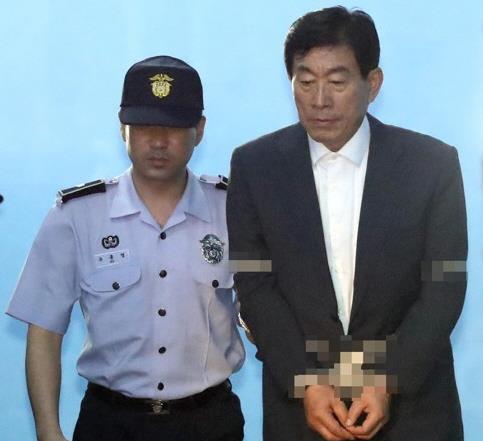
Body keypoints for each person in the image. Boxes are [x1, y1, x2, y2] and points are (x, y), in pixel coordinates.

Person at [227, 7, 466, 441]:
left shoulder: (432, 165)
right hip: (303, 410)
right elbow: (255, 285)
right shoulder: (255, 166)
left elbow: (444, 286)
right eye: (305, 82)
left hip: (414, 412)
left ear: (372, 84)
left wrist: (389, 380)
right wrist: (307, 383)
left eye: (337, 82)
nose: (320, 99)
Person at [7, 55, 245, 441]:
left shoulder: (234, 210)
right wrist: (48, 430)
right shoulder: (77, 216)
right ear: (122, 129)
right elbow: (44, 330)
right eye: (144, 126)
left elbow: (264, 307)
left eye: (173, 127)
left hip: (209, 421)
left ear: (199, 130)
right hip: (110, 422)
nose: (158, 141)